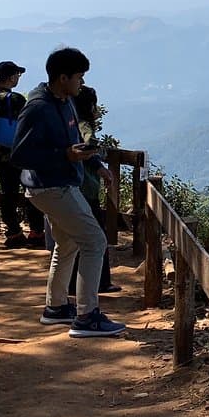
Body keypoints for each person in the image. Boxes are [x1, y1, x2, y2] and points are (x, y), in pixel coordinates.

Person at [10, 47, 126, 338]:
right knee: (94, 240)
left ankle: (57, 308)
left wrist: (96, 163)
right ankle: (87, 316)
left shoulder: (65, 101)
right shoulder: (37, 107)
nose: (81, 83)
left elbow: (75, 142)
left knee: (68, 244)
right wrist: (65, 156)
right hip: (51, 187)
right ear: (63, 78)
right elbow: (20, 155)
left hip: (59, 184)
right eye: (79, 77)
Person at [0, 61, 46, 249]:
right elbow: (29, 123)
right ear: (10, 77)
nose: (18, 78)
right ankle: (36, 232)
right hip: (19, 153)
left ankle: (14, 232)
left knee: (8, 193)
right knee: (32, 190)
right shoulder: (15, 99)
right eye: (17, 75)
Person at [65, 82, 120, 295]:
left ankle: (71, 285)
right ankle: (101, 283)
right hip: (86, 189)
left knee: (73, 240)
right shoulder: (84, 125)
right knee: (98, 237)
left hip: (72, 188)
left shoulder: (68, 123)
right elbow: (88, 144)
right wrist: (97, 157)